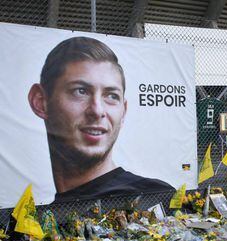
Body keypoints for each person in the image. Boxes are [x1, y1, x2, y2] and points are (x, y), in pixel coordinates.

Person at [28, 37, 173, 202]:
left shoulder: (155, 198)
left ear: (123, 111)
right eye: (80, 91)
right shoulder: (34, 218)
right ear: (40, 101)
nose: (97, 111)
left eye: (111, 96)